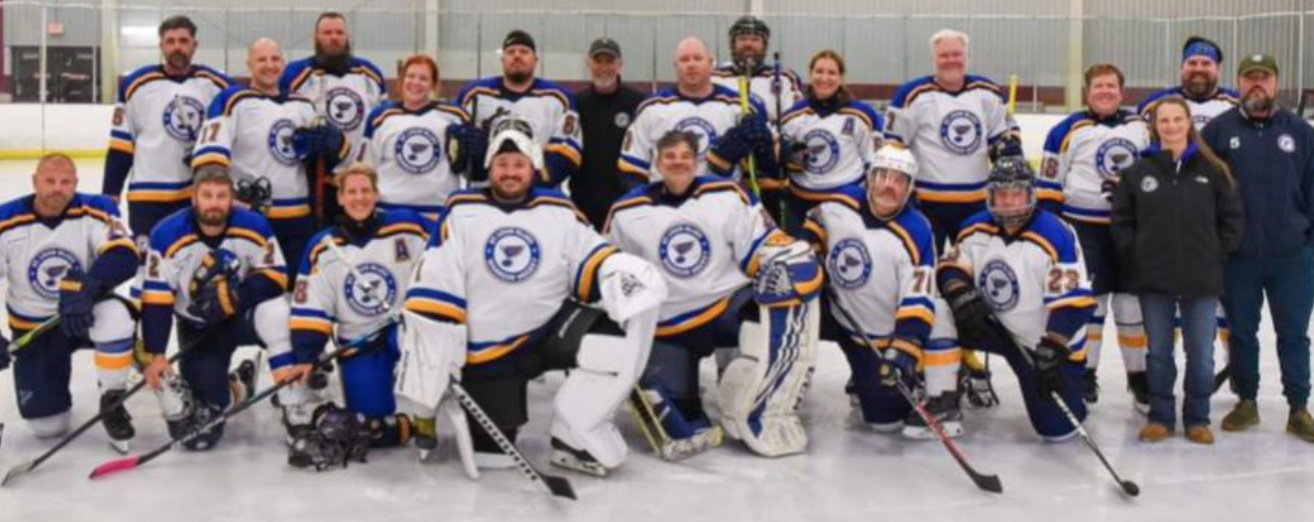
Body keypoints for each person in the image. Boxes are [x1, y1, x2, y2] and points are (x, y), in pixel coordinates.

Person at [396, 117, 666, 477]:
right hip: (488, 350)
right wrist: (439, 345)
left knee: (612, 346)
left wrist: (618, 267)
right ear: (490, 166)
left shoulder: (558, 208)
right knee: (495, 457)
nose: (510, 172)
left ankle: (574, 434)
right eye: (502, 164)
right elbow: (436, 275)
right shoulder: (461, 208)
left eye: (519, 164)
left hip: (550, 327)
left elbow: (591, 254)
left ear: (533, 166)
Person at [606, 130, 821, 459]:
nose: (678, 163)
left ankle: (766, 403)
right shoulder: (627, 211)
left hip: (728, 308)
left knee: (786, 289)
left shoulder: (726, 194)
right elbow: (611, 269)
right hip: (668, 324)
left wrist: (789, 254)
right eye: (670, 157)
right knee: (682, 418)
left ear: (697, 162)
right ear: (657, 163)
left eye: (685, 157)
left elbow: (763, 241)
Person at [886, 29, 1018, 407]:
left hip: (975, 209)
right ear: (934, 58)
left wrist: (1008, 148)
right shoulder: (912, 94)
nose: (951, 60)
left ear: (966, 56)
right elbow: (892, 146)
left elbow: (1004, 136)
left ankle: (966, 354)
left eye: (956, 54)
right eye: (944, 55)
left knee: (968, 288)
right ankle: (916, 352)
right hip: (925, 207)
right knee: (923, 282)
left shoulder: (987, 92)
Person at [272, 164, 435, 470]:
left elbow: (443, 257)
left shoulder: (408, 227)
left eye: (365, 191)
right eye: (352, 192)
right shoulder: (322, 247)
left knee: (429, 350)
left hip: (405, 329)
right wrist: (307, 355)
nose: (359, 198)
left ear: (376, 194)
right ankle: (404, 425)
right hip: (359, 341)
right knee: (368, 427)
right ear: (341, 197)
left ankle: (429, 414)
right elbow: (312, 307)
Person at [932, 156, 1096, 441]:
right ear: (990, 195)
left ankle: (1076, 389)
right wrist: (959, 291)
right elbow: (950, 267)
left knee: (1055, 431)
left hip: (1042, 344)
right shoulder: (974, 227)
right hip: (994, 327)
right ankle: (946, 389)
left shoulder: (1056, 235)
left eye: (1016, 193)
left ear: (1031, 194)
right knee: (935, 312)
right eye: (1001, 194)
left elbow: (1074, 305)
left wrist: (1053, 347)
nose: (1008, 202)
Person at [800, 146, 957, 439]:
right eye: (882, 176)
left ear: (909, 188)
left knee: (884, 422)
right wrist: (812, 248)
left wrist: (904, 350)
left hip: (877, 335)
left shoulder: (918, 231)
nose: (889, 186)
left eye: (899, 180)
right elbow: (814, 223)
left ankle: (927, 382)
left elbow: (918, 299)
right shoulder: (840, 202)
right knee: (785, 300)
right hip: (834, 312)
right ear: (869, 178)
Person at [1111, 96, 1242, 444]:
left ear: (1188, 123)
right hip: (1154, 278)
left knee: (1201, 355)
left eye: (1177, 119)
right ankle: (1161, 417)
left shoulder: (1214, 170)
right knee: (1158, 353)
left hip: (1201, 278)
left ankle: (1198, 418)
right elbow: (1122, 221)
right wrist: (1138, 255)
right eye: (1164, 121)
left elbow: (1232, 220)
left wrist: (1214, 255)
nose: (1171, 126)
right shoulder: (1138, 172)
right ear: (1155, 127)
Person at [139, 165, 290, 451]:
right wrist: (156, 355)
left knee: (279, 315)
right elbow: (157, 298)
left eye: (221, 196)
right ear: (193, 198)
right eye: (207, 195)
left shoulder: (254, 226)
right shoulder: (166, 234)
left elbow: (277, 276)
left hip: (243, 317)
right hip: (199, 327)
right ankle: (239, 385)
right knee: (202, 434)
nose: (214, 203)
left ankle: (297, 410)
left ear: (231, 199)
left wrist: (235, 297)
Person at [1202, 54, 1314, 442]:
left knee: (1294, 333)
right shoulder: (1218, 131)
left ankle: (1298, 407)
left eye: (1264, 78)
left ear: (1276, 84)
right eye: (1250, 78)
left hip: (1292, 256)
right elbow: (1206, 193)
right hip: (1239, 257)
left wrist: (1307, 242)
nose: (1257, 85)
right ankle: (1246, 401)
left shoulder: (1300, 132)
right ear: (1238, 83)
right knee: (1242, 332)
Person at [0, 153, 139, 451]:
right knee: (48, 427)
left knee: (116, 315)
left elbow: (125, 255)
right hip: (34, 329)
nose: (57, 188)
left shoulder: (97, 208)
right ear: (34, 182)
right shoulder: (5, 219)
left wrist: (85, 288)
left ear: (75, 183)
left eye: (65, 182)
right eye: (50, 181)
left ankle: (112, 397)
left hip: (83, 313)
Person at [1039, 63, 1151, 408]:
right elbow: (1048, 187)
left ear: (1122, 91)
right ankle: (1085, 373)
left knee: (1131, 304)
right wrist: (1053, 236)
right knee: (1093, 304)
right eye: (1098, 86)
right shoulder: (1065, 130)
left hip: (1132, 229)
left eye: (1111, 86)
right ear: (1087, 92)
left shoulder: (1142, 128)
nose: (1105, 91)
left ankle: (1139, 376)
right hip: (1083, 231)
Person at [192, 38, 347, 285]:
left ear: (283, 63)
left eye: (275, 59)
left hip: (298, 220)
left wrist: (335, 144)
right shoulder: (232, 100)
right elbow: (209, 161)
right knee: (250, 290)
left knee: (298, 289)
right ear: (249, 65)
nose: (269, 65)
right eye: (261, 59)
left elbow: (327, 163)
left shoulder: (303, 105)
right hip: (251, 218)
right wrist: (230, 200)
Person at [102, 15, 232, 243]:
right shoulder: (135, 85)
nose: (177, 47)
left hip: (198, 195)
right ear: (161, 45)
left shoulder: (218, 85)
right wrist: (110, 193)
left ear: (195, 45)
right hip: (147, 195)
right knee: (149, 258)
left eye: (183, 41)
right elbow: (121, 146)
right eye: (170, 41)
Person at [618, 37, 776, 190]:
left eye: (698, 58)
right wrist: (650, 202)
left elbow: (764, 168)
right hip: (666, 202)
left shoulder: (739, 107)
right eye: (684, 59)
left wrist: (765, 152)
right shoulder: (652, 107)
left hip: (721, 201)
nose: (691, 65)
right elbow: (633, 168)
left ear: (711, 63)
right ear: (675, 66)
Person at [279, 11, 387, 224]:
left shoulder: (370, 73)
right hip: (317, 181)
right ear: (316, 37)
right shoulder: (294, 73)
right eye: (327, 33)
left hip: (360, 180)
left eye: (339, 32)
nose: (333, 38)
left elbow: (381, 125)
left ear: (347, 36)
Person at [452, 30, 582, 188]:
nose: (517, 56)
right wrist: (467, 156)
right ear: (502, 60)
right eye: (511, 52)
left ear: (535, 59)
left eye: (524, 51)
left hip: (538, 195)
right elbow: (452, 138)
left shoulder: (560, 98)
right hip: (484, 192)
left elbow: (566, 151)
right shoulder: (473, 93)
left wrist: (527, 183)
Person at [779, 49, 882, 233]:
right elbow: (777, 154)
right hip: (800, 204)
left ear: (841, 78)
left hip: (846, 202)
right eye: (819, 71)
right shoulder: (793, 115)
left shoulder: (862, 114)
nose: (824, 78)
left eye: (832, 73)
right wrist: (785, 153)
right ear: (810, 75)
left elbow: (875, 161)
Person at [360, 54, 471, 220]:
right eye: (410, 76)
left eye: (423, 78)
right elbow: (366, 168)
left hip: (438, 211)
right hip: (388, 211)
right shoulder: (380, 117)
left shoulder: (455, 116)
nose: (415, 82)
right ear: (401, 80)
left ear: (433, 84)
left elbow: (469, 167)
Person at [572, 38, 645, 230]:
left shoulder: (638, 103)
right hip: (583, 207)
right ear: (589, 64)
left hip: (625, 205)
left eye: (609, 61)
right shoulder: (576, 104)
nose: (604, 67)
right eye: (598, 61)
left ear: (620, 65)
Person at [710, 15, 804, 122]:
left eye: (755, 39)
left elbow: (794, 119)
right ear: (732, 44)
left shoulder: (784, 78)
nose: (748, 44)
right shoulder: (715, 78)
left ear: (765, 45)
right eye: (742, 38)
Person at [1138, 37, 1239, 129]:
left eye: (1206, 64)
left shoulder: (1237, 105)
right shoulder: (1154, 104)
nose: (1198, 69)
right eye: (1192, 63)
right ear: (1182, 67)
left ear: (1218, 69)